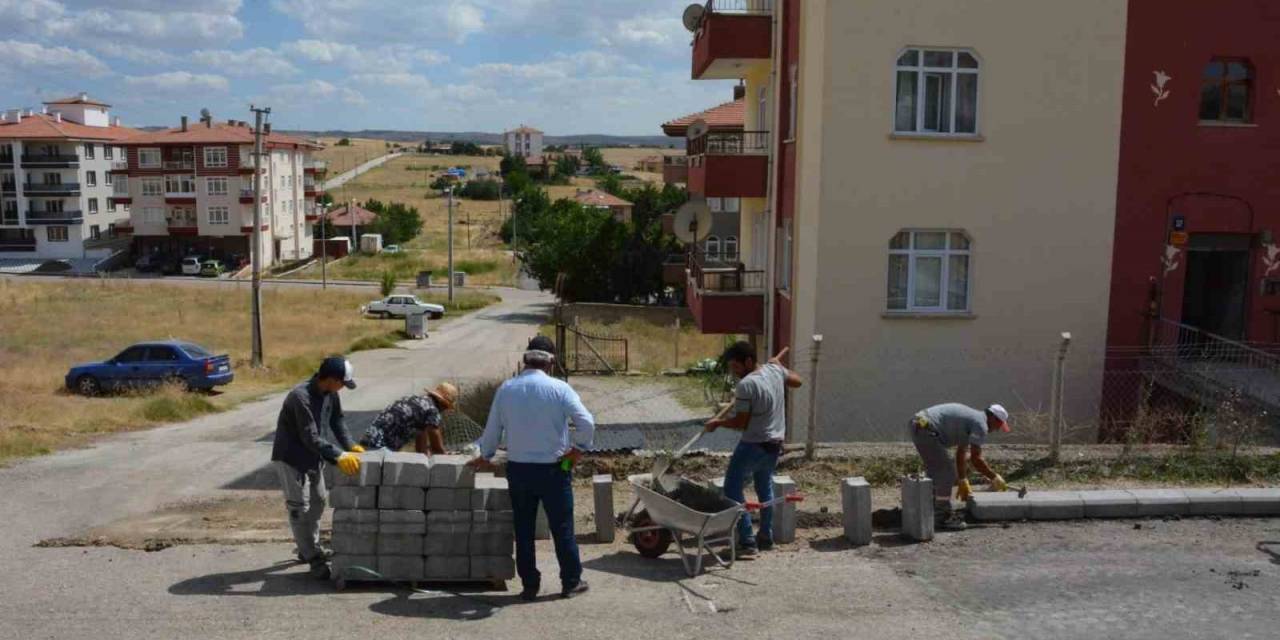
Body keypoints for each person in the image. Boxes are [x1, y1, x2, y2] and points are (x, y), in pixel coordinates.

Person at [470, 336, 595, 601]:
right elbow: (586, 423)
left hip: (519, 469)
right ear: (551, 362)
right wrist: (577, 450)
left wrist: (486, 455)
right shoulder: (559, 389)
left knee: (524, 529)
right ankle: (571, 582)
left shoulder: (507, 388)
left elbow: (492, 430)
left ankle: (530, 586)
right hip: (554, 468)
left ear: (525, 360)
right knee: (562, 528)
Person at [704, 341, 803, 555]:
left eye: (736, 367)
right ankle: (765, 537)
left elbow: (741, 423)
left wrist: (717, 423)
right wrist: (779, 368)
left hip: (753, 444)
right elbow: (797, 381)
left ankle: (747, 541)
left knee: (732, 488)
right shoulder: (773, 370)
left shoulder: (746, 385)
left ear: (748, 361)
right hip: (774, 444)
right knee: (764, 487)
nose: (734, 372)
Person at [270, 356, 363, 579]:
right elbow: (309, 437)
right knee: (299, 508)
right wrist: (338, 455)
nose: (342, 388)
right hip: (291, 458)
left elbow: (337, 421)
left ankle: (308, 548)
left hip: (314, 457)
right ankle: (312, 556)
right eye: (342, 383)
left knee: (319, 501)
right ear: (331, 379)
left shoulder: (331, 393)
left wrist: (351, 446)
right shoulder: (299, 397)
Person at [909, 402, 1011, 531]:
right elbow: (976, 459)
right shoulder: (981, 425)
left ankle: (927, 512)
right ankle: (942, 517)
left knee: (936, 473)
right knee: (946, 473)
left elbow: (961, 453)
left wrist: (963, 479)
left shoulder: (972, 420)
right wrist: (994, 477)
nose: (996, 429)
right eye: (999, 425)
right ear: (993, 418)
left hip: (920, 424)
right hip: (925, 428)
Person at [358, 383, 458, 454]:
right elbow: (437, 448)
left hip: (367, 443)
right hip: (381, 449)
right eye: (445, 408)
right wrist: (449, 460)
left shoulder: (415, 401)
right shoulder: (432, 411)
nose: (444, 411)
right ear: (443, 404)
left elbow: (421, 449)